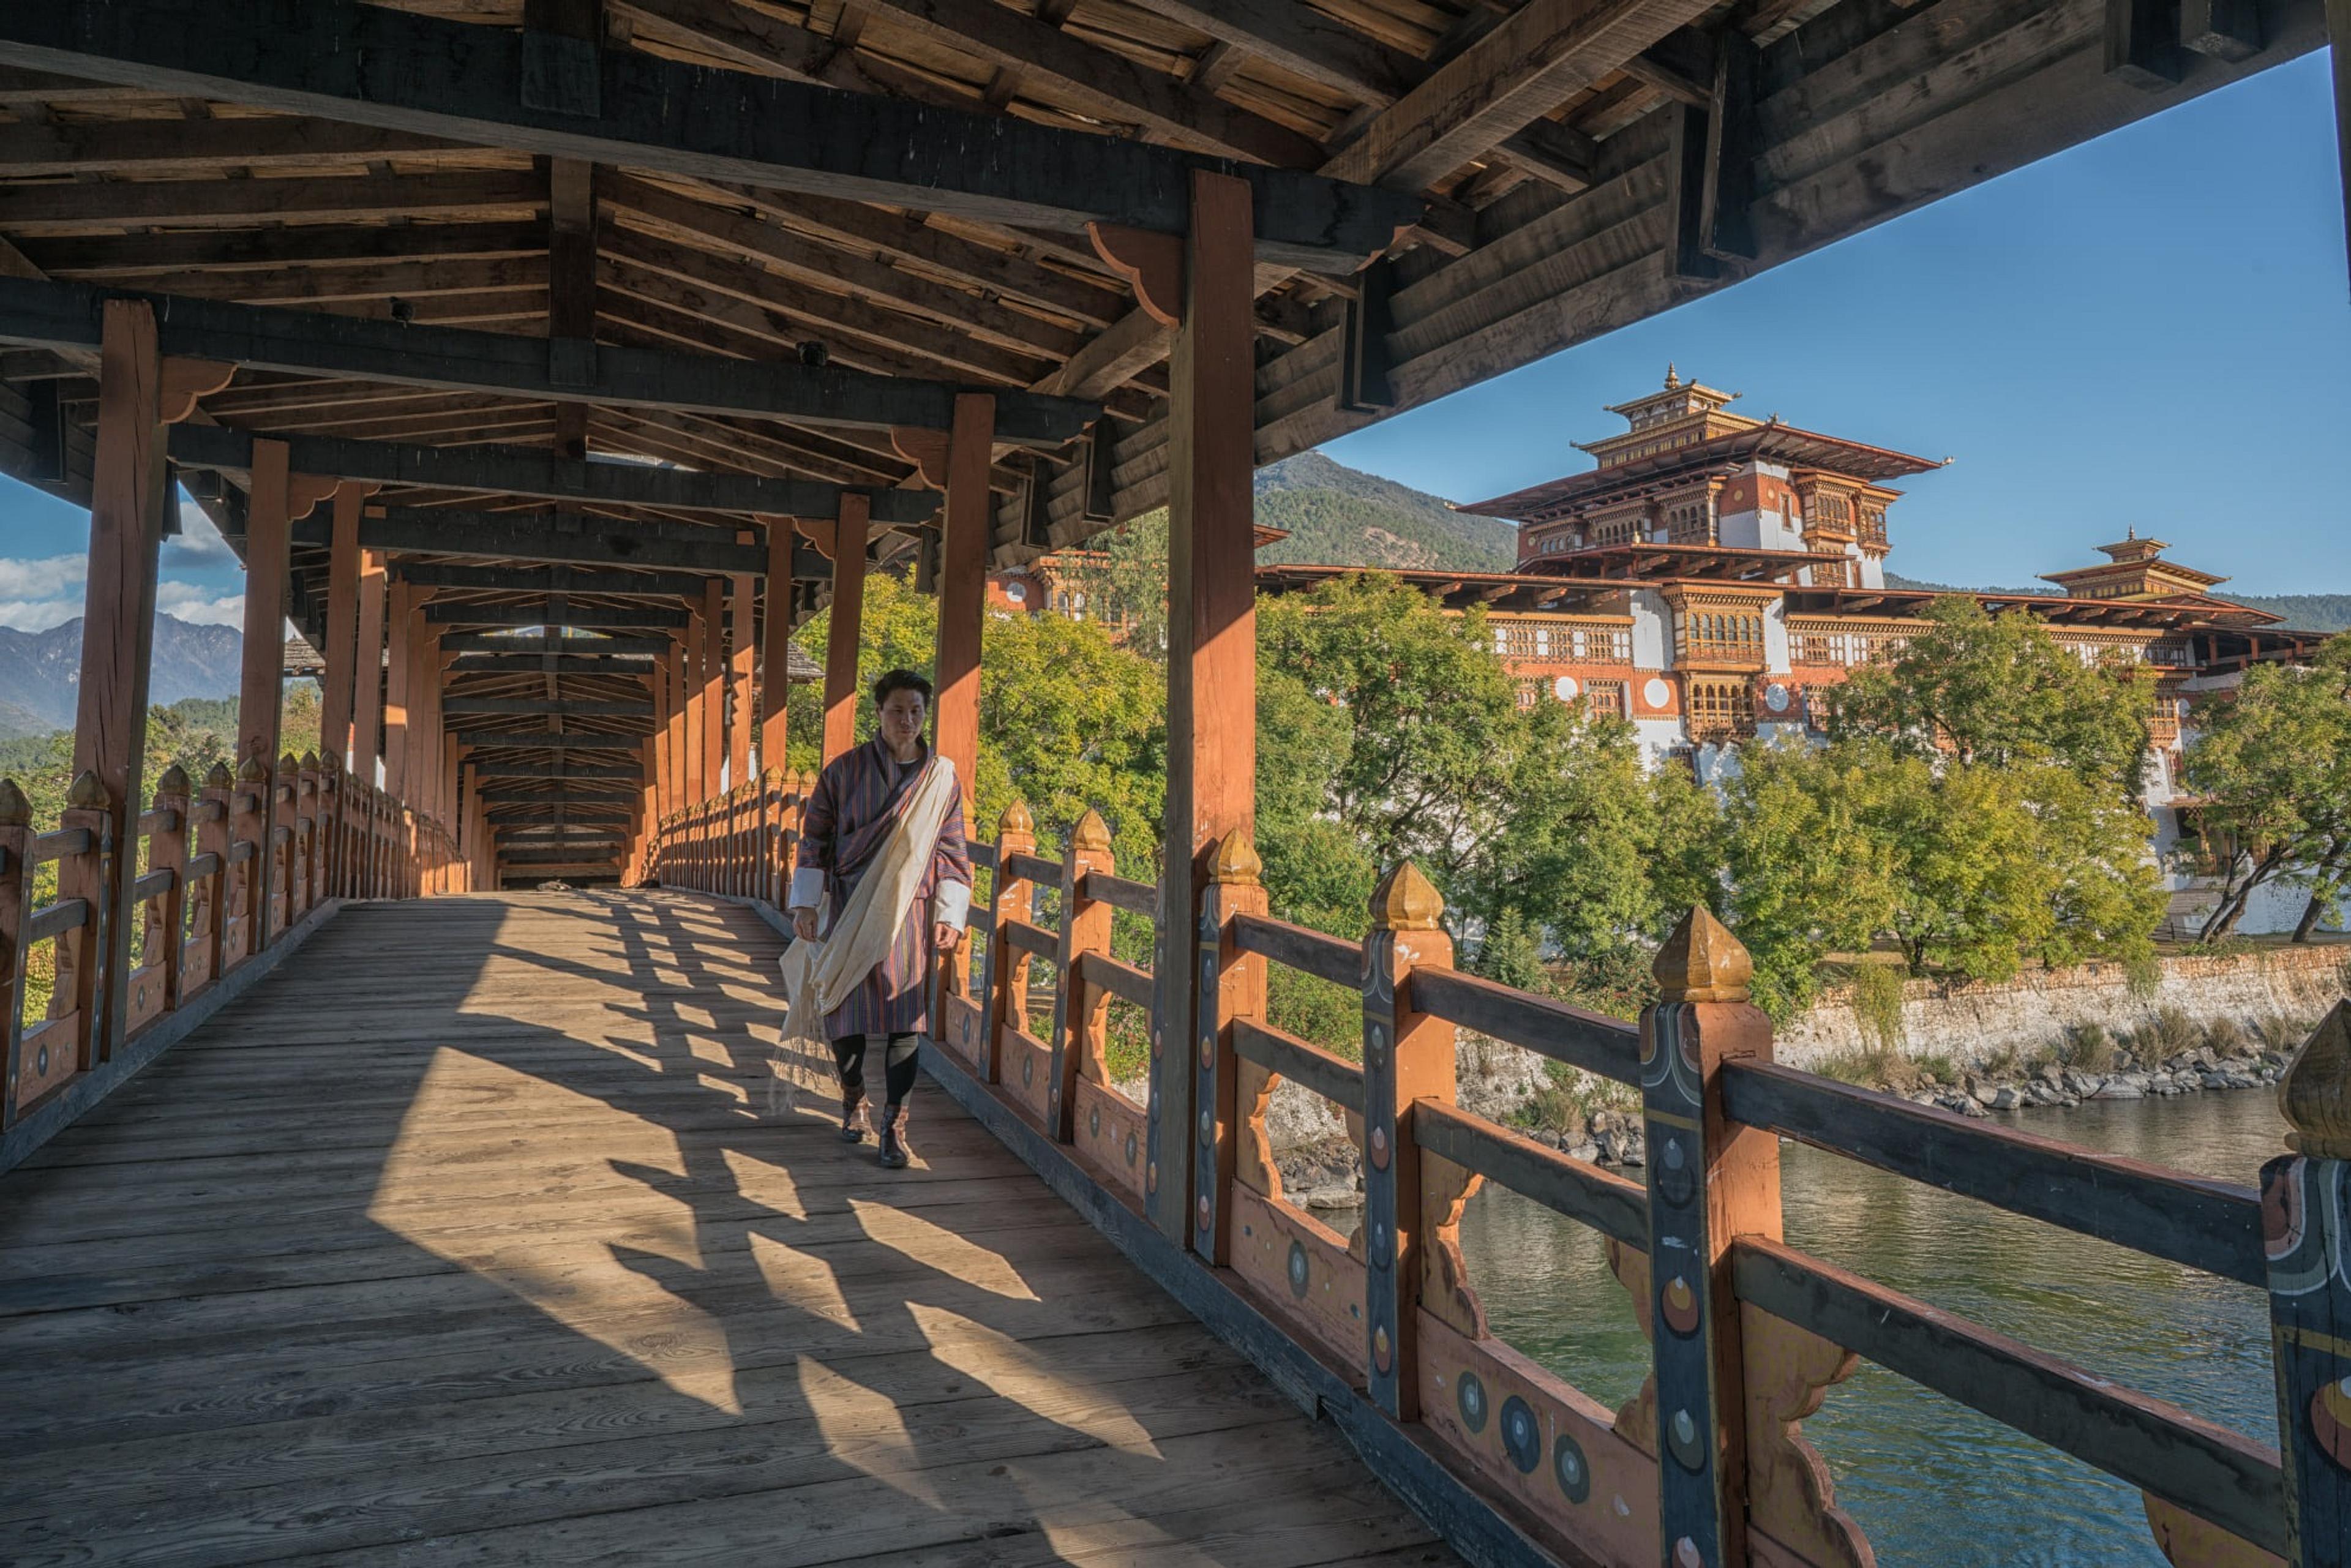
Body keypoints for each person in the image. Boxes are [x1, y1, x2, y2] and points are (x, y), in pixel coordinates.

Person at [784, 669, 972, 1168]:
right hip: (848, 904)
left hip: (909, 908)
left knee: (903, 1019)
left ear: (924, 714)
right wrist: (805, 903)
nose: (907, 720)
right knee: (842, 1010)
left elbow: (953, 849)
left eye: (916, 710)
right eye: (897, 710)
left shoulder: (941, 780)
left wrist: (950, 913)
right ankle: (853, 1098)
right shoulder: (842, 773)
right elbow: (815, 840)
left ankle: (895, 1125)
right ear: (879, 714)